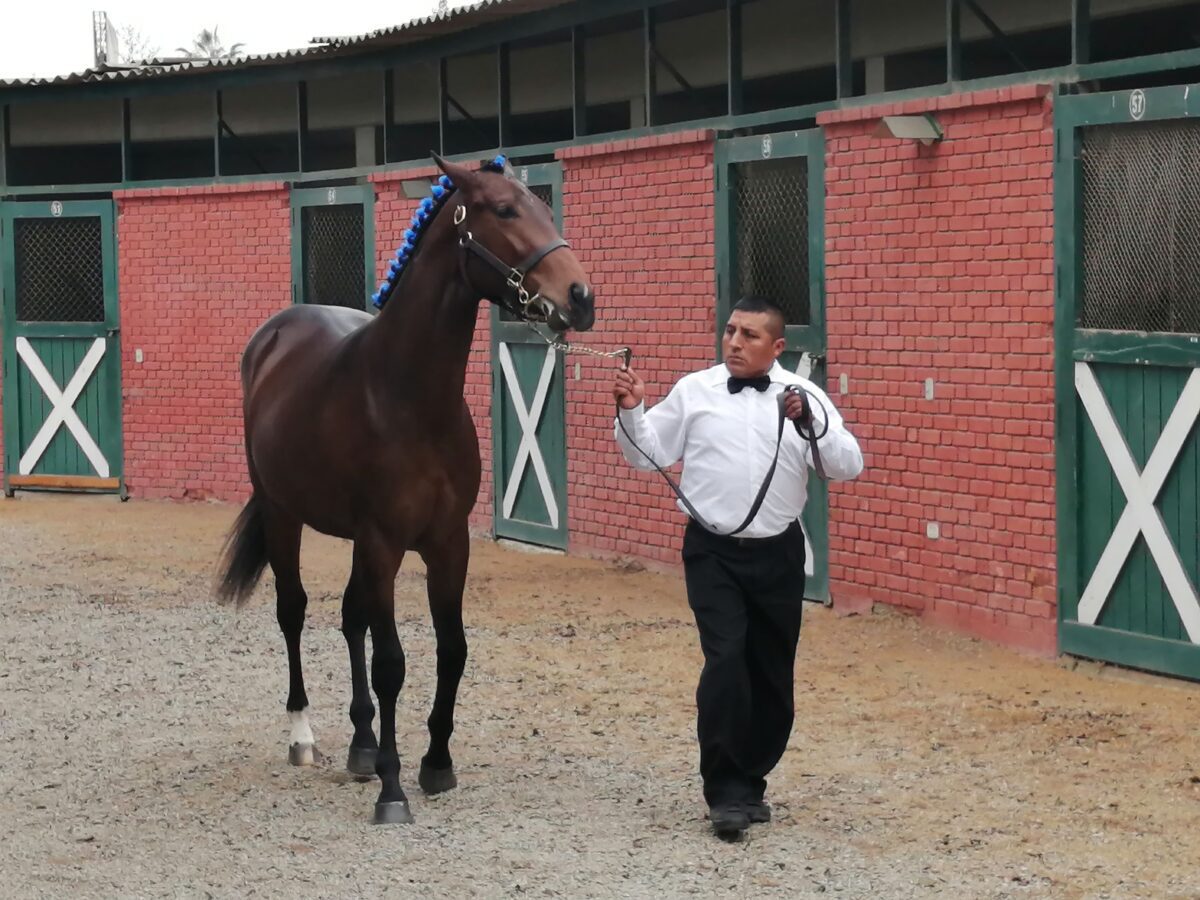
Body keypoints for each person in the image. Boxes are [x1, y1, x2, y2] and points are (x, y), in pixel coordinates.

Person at [612, 295, 863, 840]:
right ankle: (724, 792)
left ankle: (751, 782)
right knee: (725, 661)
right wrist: (632, 410)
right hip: (713, 552)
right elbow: (645, 453)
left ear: (777, 346)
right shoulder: (695, 390)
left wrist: (812, 423)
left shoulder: (804, 396)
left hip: (779, 553)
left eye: (749, 335)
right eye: (730, 331)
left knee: (771, 672)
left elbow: (848, 465)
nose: (734, 342)